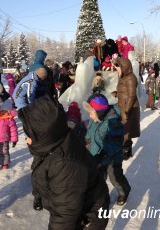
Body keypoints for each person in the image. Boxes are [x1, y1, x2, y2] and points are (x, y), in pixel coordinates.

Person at [18, 94, 109, 229]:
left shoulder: (65, 164)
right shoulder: (51, 145)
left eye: (30, 136)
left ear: (45, 135)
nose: (27, 140)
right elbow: (40, 170)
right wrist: (38, 196)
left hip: (87, 216)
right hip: (75, 206)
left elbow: (65, 215)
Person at [83, 93, 131, 205]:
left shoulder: (112, 123)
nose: (90, 116)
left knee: (115, 177)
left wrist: (103, 155)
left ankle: (124, 191)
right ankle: (100, 199)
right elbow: (89, 135)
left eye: (91, 113)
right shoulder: (95, 119)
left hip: (112, 158)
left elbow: (114, 144)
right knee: (99, 179)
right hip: (97, 157)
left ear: (99, 113)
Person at [112, 57, 140, 160]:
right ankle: (126, 151)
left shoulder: (130, 78)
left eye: (118, 67)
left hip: (129, 107)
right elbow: (124, 91)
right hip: (123, 106)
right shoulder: (123, 76)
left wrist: (127, 111)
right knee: (125, 130)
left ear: (124, 67)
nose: (116, 69)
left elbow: (132, 95)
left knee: (126, 130)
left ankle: (125, 152)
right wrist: (117, 94)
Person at [0, 98, 18, 169]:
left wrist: (14, 139)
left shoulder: (7, 117)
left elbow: (13, 129)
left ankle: (5, 163)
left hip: (4, 139)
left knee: (4, 152)